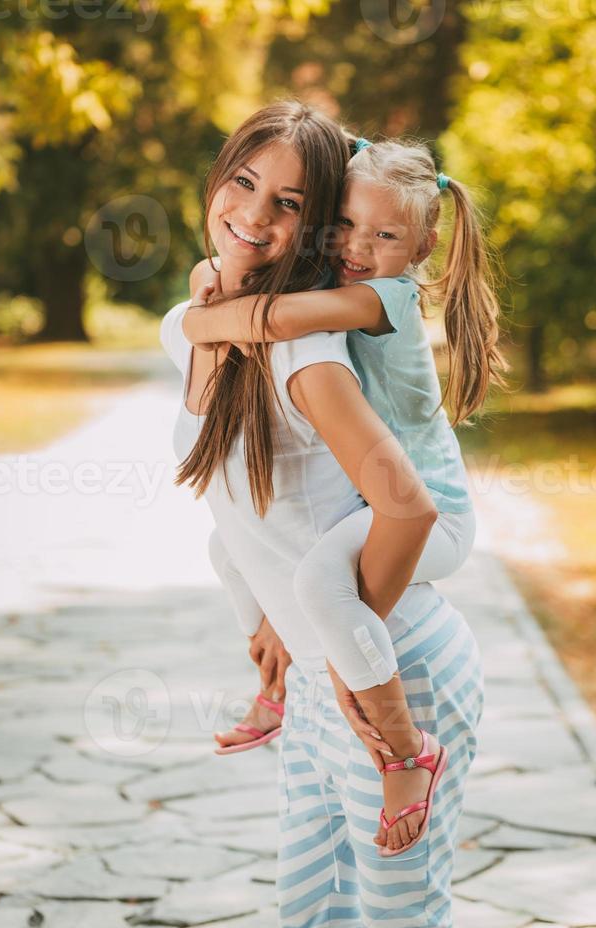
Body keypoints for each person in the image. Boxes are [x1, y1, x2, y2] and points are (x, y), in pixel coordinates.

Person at [160, 99, 486, 928]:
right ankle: (280, 679)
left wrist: (341, 655)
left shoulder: (319, 336)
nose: (256, 215)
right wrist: (291, 651)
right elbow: (240, 512)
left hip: (394, 667)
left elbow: (409, 508)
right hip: (319, 675)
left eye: (294, 203)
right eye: (243, 181)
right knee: (316, 926)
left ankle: (406, 756)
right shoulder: (205, 314)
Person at [182, 136, 508, 757]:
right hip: (375, 503)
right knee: (231, 547)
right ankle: (276, 682)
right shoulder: (342, 276)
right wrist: (209, 278)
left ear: (422, 247)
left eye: (385, 236)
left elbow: (273, 318)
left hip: (434, 516)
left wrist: (195, 321)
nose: (358, 246)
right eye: (345, 225)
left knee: (323, 583)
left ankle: (405, 748)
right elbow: (222, 274)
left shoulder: (386, 296)